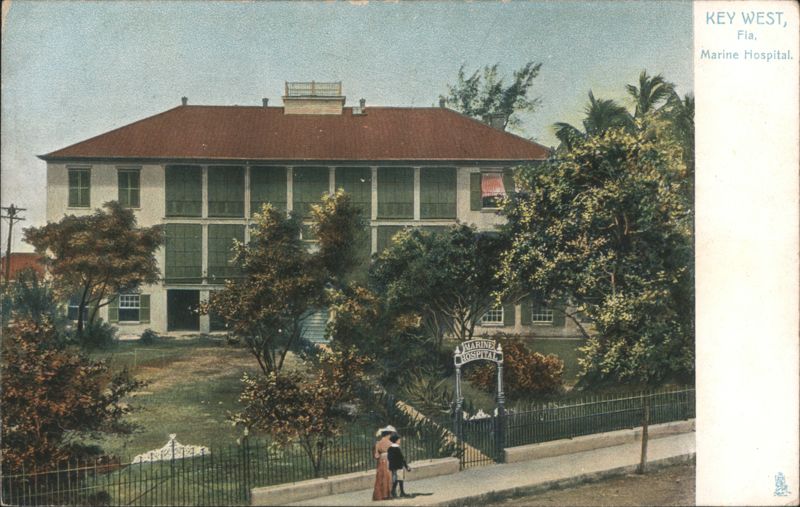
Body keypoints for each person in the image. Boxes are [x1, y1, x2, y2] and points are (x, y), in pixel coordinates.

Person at [372, 425, 395, 501]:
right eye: (390, 434)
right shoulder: (390, 443)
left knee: (380, 477)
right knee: (388, 477)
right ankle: (388, 494)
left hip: (381, 461)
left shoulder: (378, 443)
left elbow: (376, 456)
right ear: (388, 434)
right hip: (388, 460)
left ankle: (380, 495)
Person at [388, 433, 412, 498]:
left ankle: (396, 492)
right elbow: (402, 458)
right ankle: (398, 492)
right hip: (399, 466)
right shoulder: (397, 449)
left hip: (393, 467)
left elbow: (389, 458)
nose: (400, 441)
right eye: (399, 440)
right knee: (399, 479)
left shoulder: (390, 448)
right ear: (396, 440)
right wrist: (406, 467)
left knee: (396, 479)